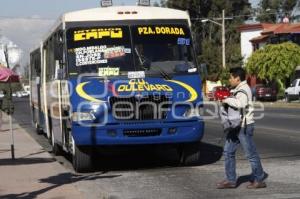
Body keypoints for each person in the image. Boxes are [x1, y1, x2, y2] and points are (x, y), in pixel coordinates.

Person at [217, 67, 267, 189]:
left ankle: (259, 179)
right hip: (236, 125)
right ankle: (231, 180)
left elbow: (241, 104)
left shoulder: (244, 89)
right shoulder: (237, 89)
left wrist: (226, 99)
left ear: (237, 78)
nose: (229, 79)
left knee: (251, 154)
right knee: (228, 152)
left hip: (244, 127)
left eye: (231, 77)